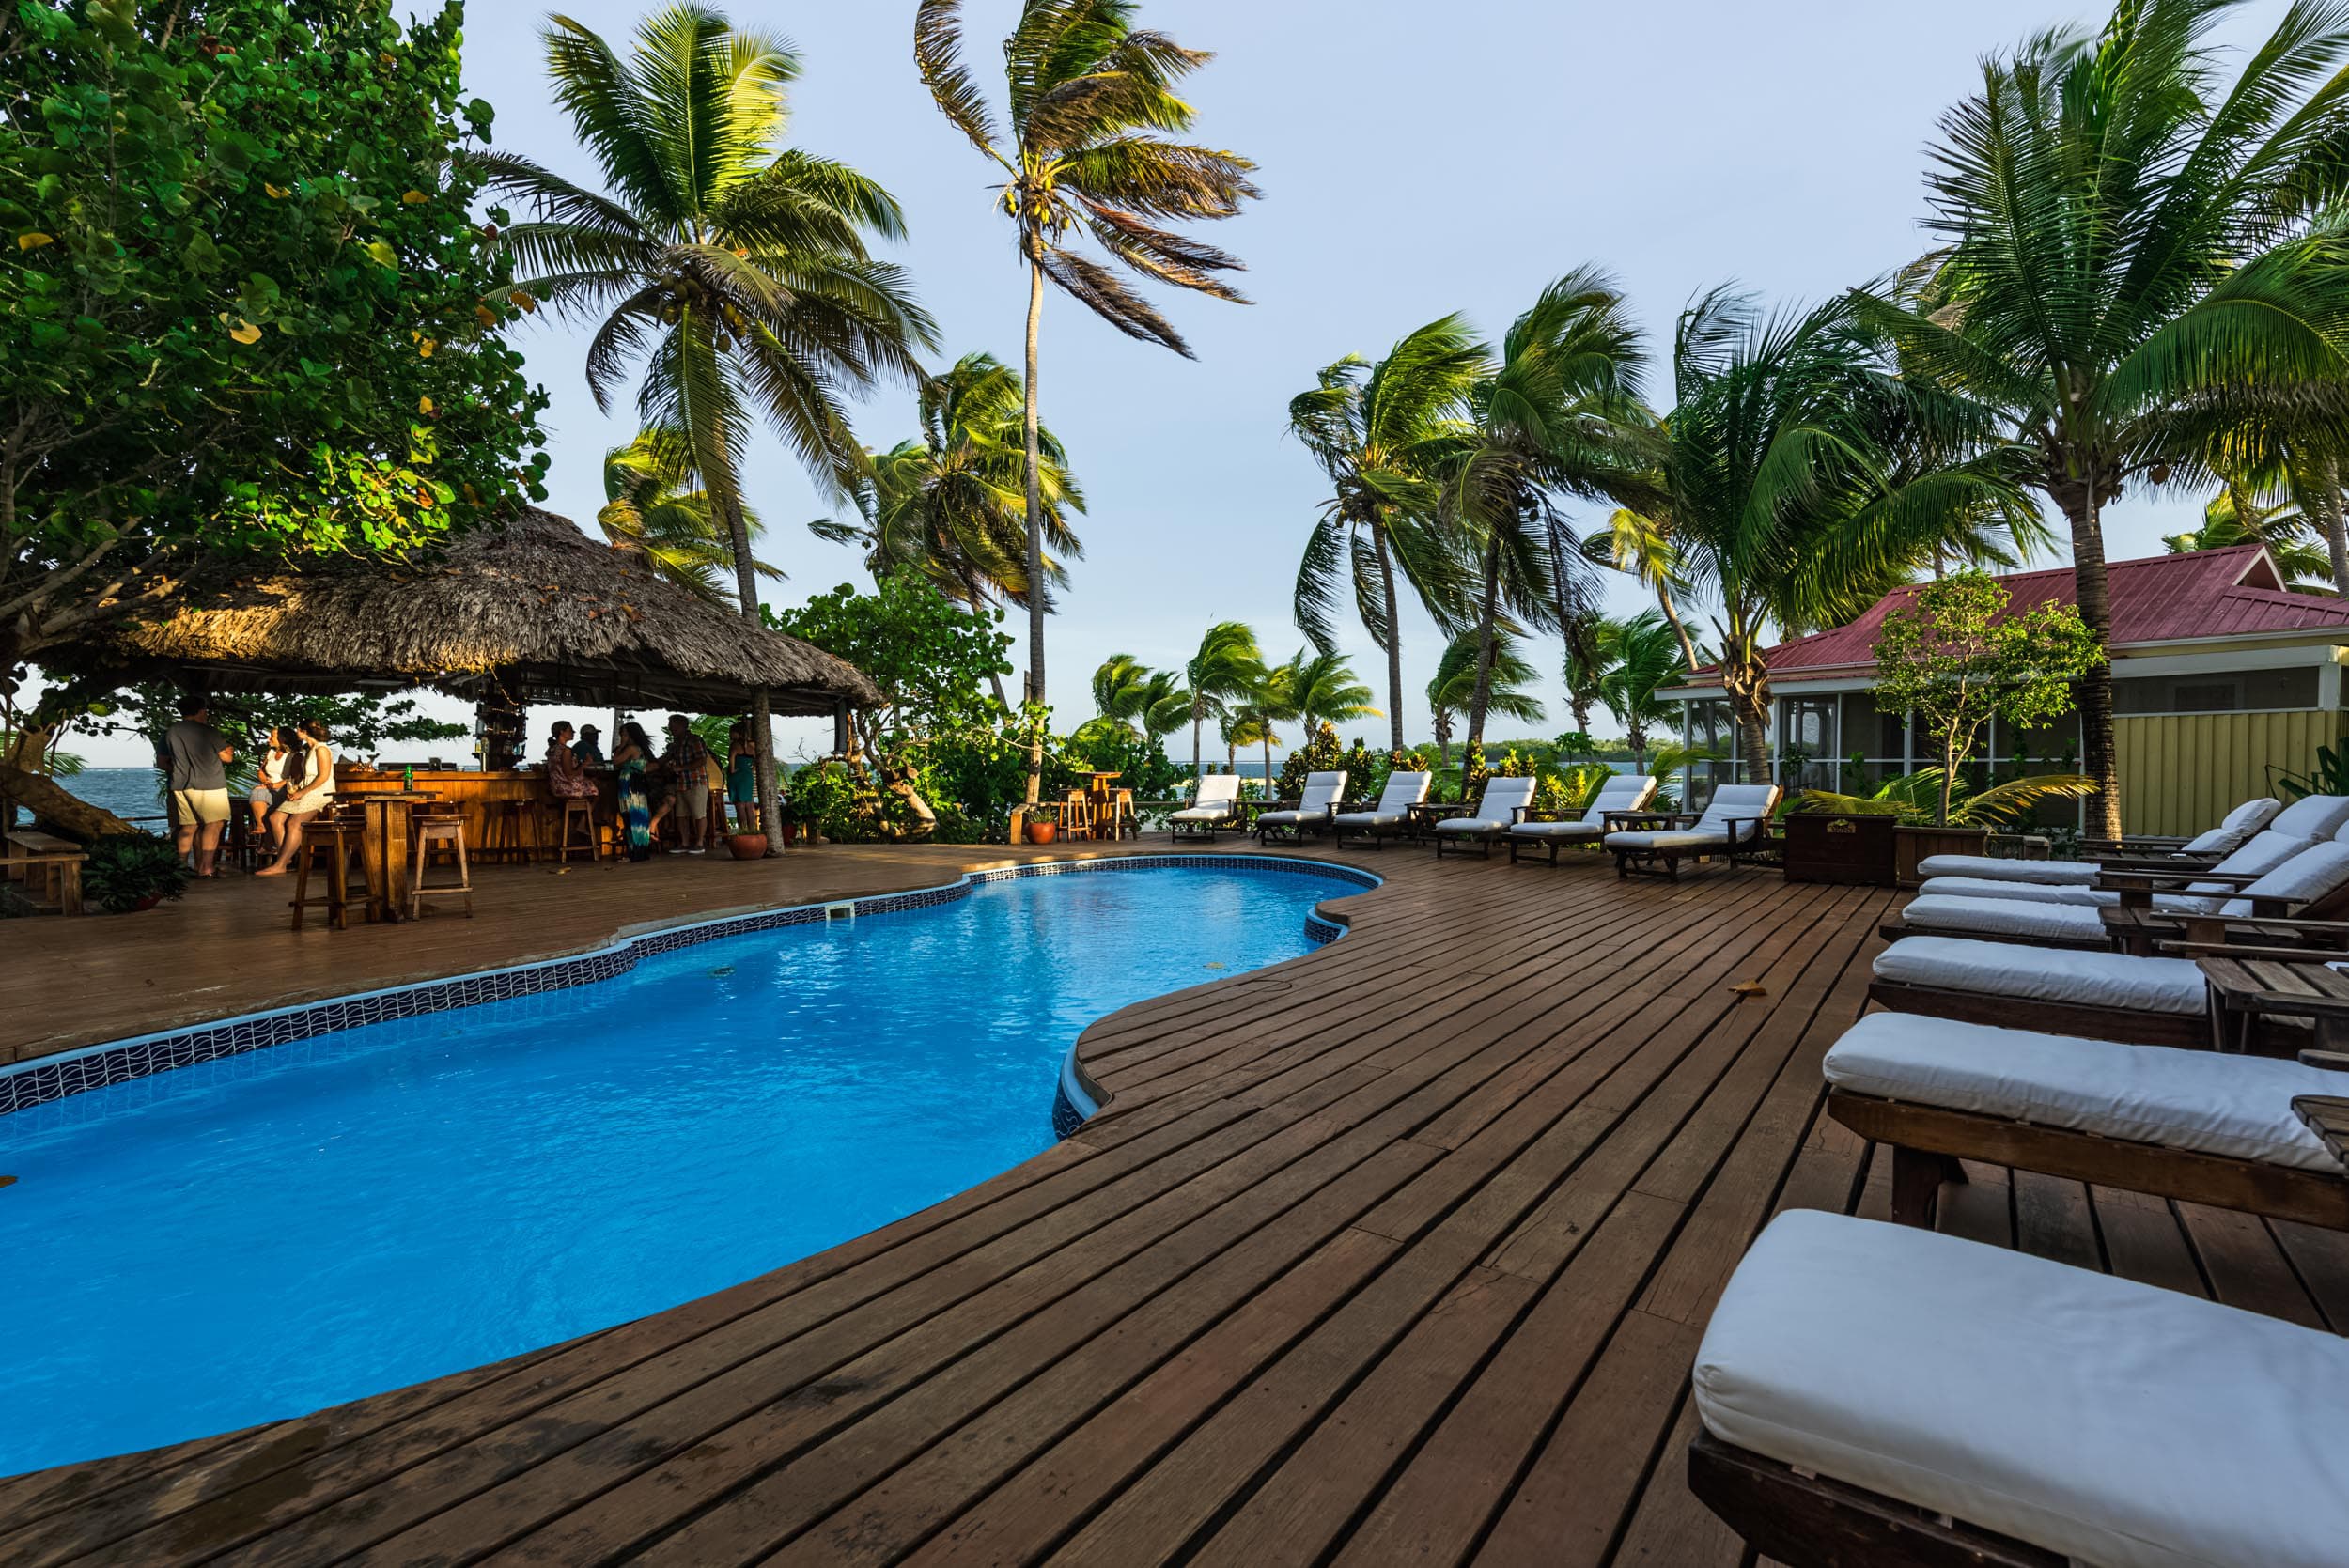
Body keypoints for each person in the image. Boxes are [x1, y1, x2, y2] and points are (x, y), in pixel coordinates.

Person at [163, 695, 235, 877]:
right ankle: (206, 867)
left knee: (188, 826)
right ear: (201, 711)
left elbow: (166, 759)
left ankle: (179, 868)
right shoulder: (208, 731)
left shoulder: (172, 731)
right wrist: (230, 749)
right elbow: (226, 758)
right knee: (215, 824)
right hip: (208, 784)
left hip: (180, 784)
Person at [254, 720, 336, 877]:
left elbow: (323, 776)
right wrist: (296, 789)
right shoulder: (309, 750)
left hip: (320, 792)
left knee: (293, 823)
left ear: (304, 731)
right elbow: (306, 776)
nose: (296, 731)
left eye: (298, 729)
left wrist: (302, 792)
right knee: (275, 818)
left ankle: (281, 863)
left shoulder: (322, 749)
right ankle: (287, 857)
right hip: (306, 790)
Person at [647, 715, 712, 854]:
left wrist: (680, 768)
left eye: (672, 724)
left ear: (682, 726)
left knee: (698, 814)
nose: (670, 727)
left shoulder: (694, 740)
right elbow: (664, 759)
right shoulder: (676, 743)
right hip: (681, 783)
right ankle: (684, 843)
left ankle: (700, 843)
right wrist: (647, 766)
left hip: (695, 781)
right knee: (681, 814)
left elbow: (701, 760)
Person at [245, 727, 296, 858]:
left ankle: (269, 844)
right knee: (256, 792)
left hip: (284, 788)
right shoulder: (271, 752)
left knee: (267, 803)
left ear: (282, 739)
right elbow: (261, 770)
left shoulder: (292, 755)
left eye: (272, 736)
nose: (269, 739)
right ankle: (261, 826)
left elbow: (292, 777)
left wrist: (275, 785)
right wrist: (265, 781)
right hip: (269, 787)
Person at [613, 721, 655, 862]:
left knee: (633, 818)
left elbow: (616, 761)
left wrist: (622, 746)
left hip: (631, 785)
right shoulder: (637, 748)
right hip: (631, 784)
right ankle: (637, 852)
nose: (622, 737)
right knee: (633, 818)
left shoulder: (631, 748)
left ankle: (635, 852)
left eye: (624, 735)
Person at [545, 721, 595, 799]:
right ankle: (585, 810)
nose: (574, 732)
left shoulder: (552, 749)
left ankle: (580, 810)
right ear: (562, 732)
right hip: (568, 788)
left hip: (556, 788)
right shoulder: (566, 750)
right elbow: (570, 776)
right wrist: (585, 763)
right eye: (571, 730)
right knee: (598, 790)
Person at [725, 721, 759, 833]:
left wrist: (732, 769)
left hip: (737, 776)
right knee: (749, 805)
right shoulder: (751, 746)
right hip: (747, 776)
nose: (729, 734)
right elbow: (757, 761)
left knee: (739, 806)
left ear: (737, 733)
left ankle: (743, 831)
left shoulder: (734, 745)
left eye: (731, 732)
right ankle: (752, 831)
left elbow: (731, 757)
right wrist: (751, 769)